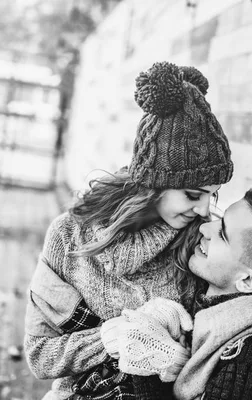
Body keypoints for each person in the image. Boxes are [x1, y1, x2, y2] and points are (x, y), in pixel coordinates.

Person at [23, 61, 234, 400]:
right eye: (194, 195)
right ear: (153, 185)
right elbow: (40, 356)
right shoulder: (70, 236)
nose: (205, 210)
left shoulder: (202, 242)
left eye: (214, 194)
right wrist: (111, 338)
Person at [103, 184, 252, 399]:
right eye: (220, 219)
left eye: (222, 234)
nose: (204, 226)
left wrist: (148, 363)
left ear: (248, 280)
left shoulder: (250, 369)